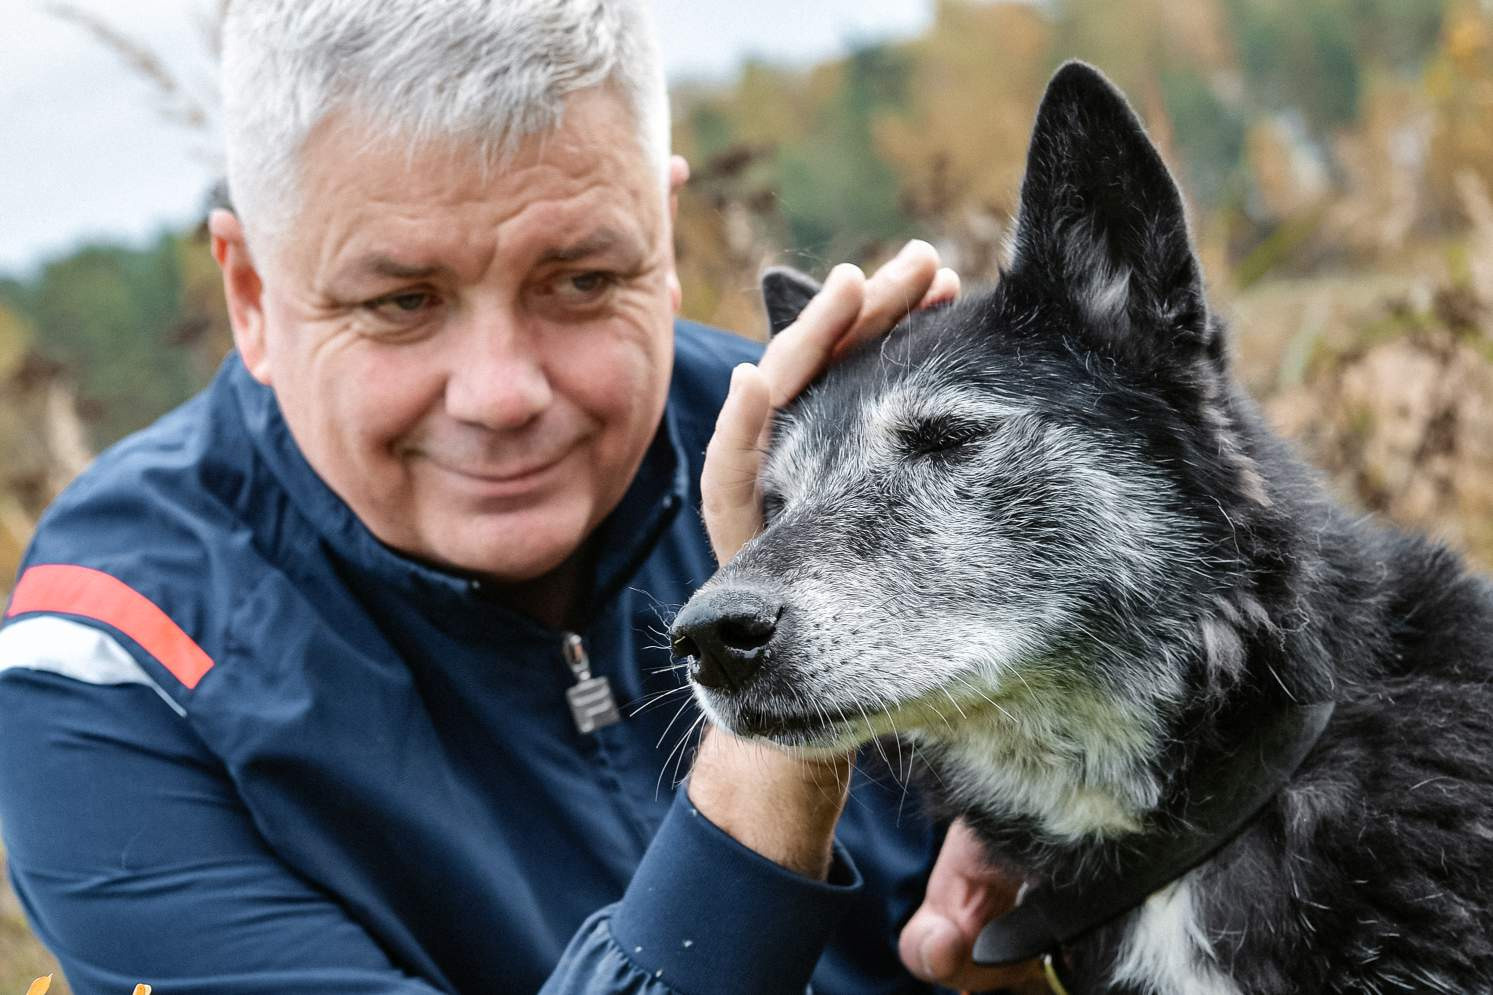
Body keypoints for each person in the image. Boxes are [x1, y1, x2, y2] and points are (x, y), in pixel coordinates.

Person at [0, 2, 1034, 992]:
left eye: (580, 279)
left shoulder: (845, 466)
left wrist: (1076, 823)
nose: (502, 393)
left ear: (661, 239)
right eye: (402, 303)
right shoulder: (113, 668)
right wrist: (776, 697)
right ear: (252, 296)